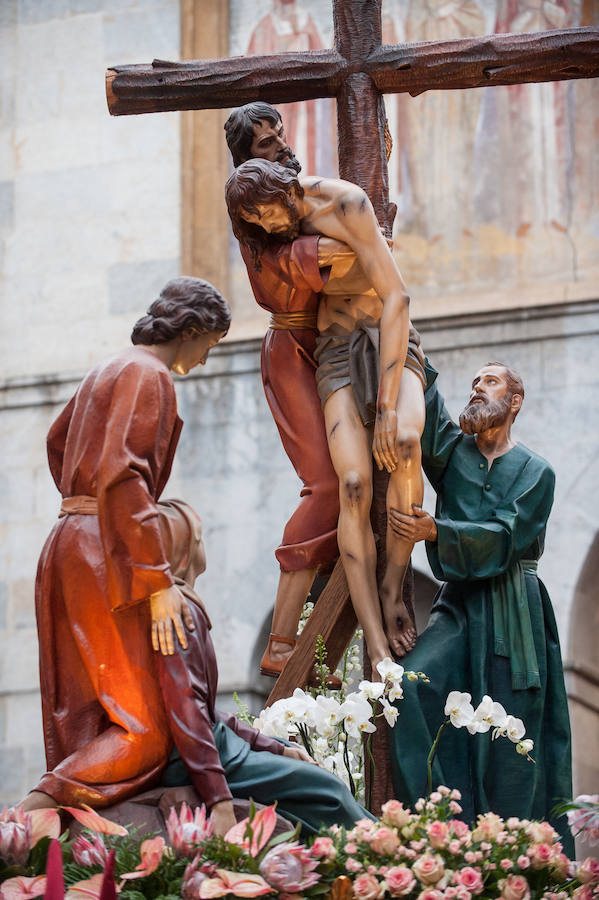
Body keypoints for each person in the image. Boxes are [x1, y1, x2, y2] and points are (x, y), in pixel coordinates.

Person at [22, 277, 231, 813]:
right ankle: (25, 818)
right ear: (190, 330)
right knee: (143, 733)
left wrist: (79, 507)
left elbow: (56, 441)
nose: (206, 360)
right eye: (209, 345)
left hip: (71, 541)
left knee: (87, 713)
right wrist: (158, 582)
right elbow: (126, 477)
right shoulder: (150, 373)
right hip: (105, 552)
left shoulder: (108, 368)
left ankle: (69, 836)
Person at [225, 159, 426, 675]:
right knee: (352, 484)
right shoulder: (275, 235)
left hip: (389, 338)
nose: (270, 229)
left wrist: (384, 407)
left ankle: (392, 589)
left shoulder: (346, 203)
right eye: (259, 225)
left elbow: (397, 295)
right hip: (335, 349)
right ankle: (376, 643)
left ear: (289, 189)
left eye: (270, 215)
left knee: (404, 441)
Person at [387, 361, 573, 849]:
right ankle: (439, 834)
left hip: (516, 610)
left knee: (513, 735)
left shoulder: (538, 472)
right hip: (461, 606)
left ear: (514, 401)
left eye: (490, 381)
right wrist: (411, 354)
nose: (477, 387)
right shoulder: (453, 454)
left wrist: (437, 532)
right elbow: (426, 417)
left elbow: (508, 537)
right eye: (474, 381)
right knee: (410, 687)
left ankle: (514, 854)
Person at [155, 498, 373, 836]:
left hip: (214, 747)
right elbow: (188, 712)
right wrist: (219, 800)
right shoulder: (178, 616)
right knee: (326, 792)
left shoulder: (183, 606)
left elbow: (205, 713)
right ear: (184, 551)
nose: (203, 543)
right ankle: (391, 850)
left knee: (316, 788)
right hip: (198, 758)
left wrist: (278, 747)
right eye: (198, 537)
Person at [225, 103, 344, 679]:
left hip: (332, 347)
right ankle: (279, 639)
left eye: (279, 136)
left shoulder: (295, 195)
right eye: (264, 144)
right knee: (323, 484)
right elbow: (348, 257)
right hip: (292, 352)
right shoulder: (258, 218)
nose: (279, 147)